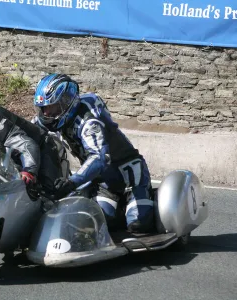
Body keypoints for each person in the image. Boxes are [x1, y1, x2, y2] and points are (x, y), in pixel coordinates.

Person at [32, 73, 154, 233]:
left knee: (138, 225)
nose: (46, 114)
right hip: (104, 183)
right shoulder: (52, 119)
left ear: (66, 102)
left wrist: (71, 182)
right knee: (98, 222)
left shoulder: (89, 122)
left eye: (51, 107)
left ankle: (148, 199)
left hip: (130, 175)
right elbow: (29, 131)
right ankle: (120, 208)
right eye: (43, 108)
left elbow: (99, 158)